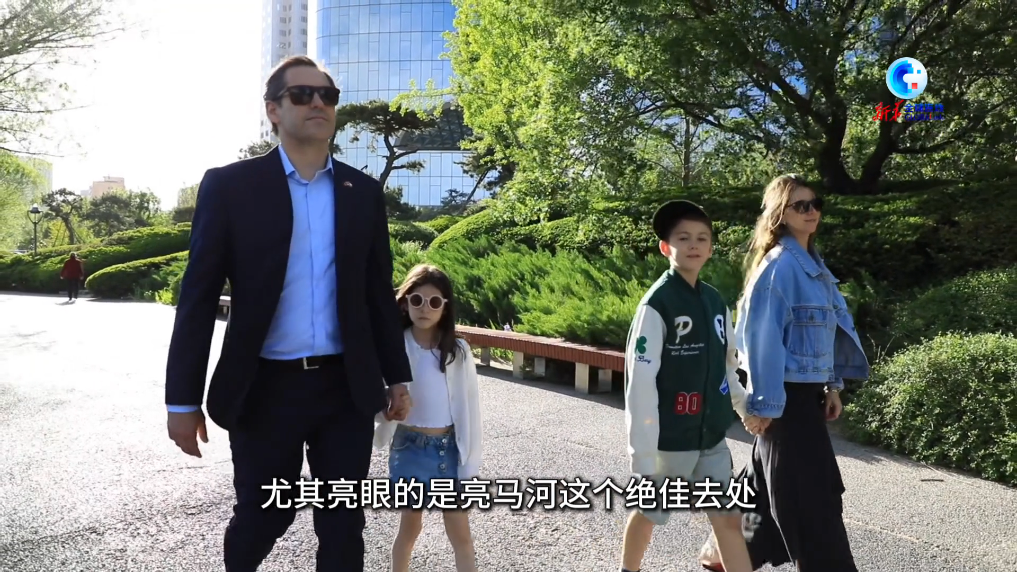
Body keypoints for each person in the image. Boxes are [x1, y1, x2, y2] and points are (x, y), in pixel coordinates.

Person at [164, 55, 413, 572]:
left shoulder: (362, 193)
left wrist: (398, 376)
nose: (318, 103)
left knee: (343, 523)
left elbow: (376, 293)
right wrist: (182, 400)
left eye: (328, 95)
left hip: (345, 389)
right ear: (273, 110)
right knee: (263, 515)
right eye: (302, 94)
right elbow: (198, 298)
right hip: (264, 389)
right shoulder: (231, 187)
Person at [698, 174, 870, 572]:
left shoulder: (814, 268)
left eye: (815, 204)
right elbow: (761, 343)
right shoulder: (779, 268)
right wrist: (763, 406)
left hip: (806, 396)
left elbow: (823, 336)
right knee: (814, 501)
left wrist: (832, 386)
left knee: (768, 485)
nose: (812, 212)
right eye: (800, 205)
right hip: (784, 400)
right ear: (780, 213)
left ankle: (726, 554)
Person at [620, 200, 757, 572]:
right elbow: (640, 385)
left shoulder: (714, 302)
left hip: (711, 438)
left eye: (702, 238)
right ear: (666, 247)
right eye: (683, 238)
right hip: (669, 442)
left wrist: (744, 406)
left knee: (729, 519)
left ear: (710, 248)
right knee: (649, 514)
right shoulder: (657, 305)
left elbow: (727, 368)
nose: (694, 245)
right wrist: (642, 456)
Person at [374, 264, 482, 572]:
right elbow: (378, 397)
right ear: (404, 303)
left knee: (461, 535)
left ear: (445, 307)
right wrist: (387, 409)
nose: (424, 308)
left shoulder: (458, 350)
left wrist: (470, 463)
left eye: (434, 302)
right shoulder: (394, 346)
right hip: (408, 447)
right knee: (409, 529)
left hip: (449, 450)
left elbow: (470, 408)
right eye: (416, 300)